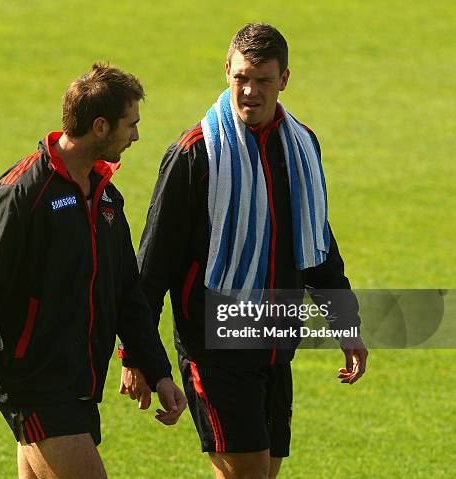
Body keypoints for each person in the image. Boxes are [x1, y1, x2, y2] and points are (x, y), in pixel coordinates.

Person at [119, 24, 368, 479]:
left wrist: (345, 324)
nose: (250, 91)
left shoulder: (301, 146)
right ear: (227, 72)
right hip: (214, 349)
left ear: (284, 79)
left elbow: (318, 247)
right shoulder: (195, 154)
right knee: (249, 472)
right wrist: (137, 355)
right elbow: (153, 264)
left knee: (264, 471)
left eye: (263, 80)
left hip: (275, 344)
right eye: (241, 78)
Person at [0, 63, 187, 479]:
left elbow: (127, 295)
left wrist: (158, 371)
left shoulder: (107, 198)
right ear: (99, 126)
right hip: (34, 384)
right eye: (130, 125)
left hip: (79, 382)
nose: (135, 136)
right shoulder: (22, 193)